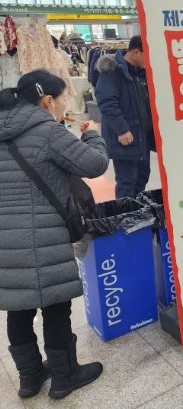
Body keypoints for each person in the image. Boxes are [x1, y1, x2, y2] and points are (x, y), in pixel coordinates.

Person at [0, 70, 108, 400]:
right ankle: (64, 376)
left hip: (5, 237)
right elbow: (95, 164)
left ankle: (29, 378)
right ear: (47, 101)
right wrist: (92, 136)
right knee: (55, 305)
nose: (63, 105)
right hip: (43, 233)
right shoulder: (47, 131)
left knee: (18, 307)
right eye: (62, 100)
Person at [95, 35, 155, 199]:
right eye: (148, 55)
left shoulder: (142, 71)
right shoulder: (113, 71)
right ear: (136, 52)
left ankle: (138, 210)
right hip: (125, 137)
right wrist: (121, 130)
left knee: (142, 176)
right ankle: (126, 213)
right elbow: (107, 103)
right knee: (127, 181)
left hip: (142, 136)